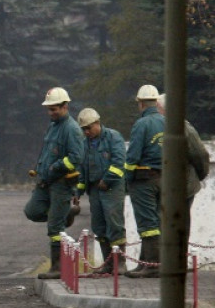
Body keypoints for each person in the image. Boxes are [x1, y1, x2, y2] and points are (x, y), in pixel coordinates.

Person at [24, 87, 85, 280]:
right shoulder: (53, 126)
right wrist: (40, 169)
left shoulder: (72, 129)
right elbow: (47, 152)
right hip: (44, 182)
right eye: (49, 109)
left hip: (61, 184)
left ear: (65, 106)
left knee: (55, 228)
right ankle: (67, 214)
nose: (51, 113)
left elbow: (75, 158)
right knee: (32, 211)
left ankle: (57, 268)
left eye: (54, 109)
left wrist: (56, 167)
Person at [73, 108, 128, 275]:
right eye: (84, 129)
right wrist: (78, 192)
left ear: (97, 123)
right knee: (99, 226)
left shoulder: (113, 137)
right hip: (94, 189)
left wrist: (107, 180)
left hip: (112, 188)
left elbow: (119, 162)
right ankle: (108, 264)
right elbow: (82, 171)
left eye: (89, 128)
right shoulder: (85, 145)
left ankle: (120, 264)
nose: (87, 132)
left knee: (114, 224)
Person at [124, 84, 165, 279]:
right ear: (156, 102)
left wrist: (128, 180)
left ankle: (152, 265)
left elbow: (132, 156)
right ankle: (145, 263)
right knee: (157, 220)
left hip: (144, 180)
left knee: (147, 223)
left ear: (140, 103)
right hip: (165, 178)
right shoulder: (167, 122)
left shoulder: (141, 124)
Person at [156, 93, 210, 230]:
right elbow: (200, 154)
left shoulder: (182, 128)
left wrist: (200, 175)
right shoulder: (182, 127)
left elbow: (200, 155)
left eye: (157, 108)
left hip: (180, 187)